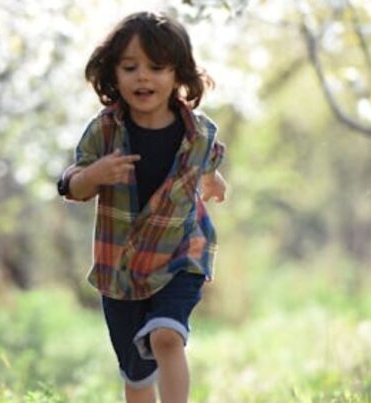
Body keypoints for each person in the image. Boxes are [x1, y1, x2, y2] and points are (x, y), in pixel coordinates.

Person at [57, 11, 227, 403]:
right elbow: (72, 185)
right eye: (130, 67)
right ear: (113, 75)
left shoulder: (199, 132)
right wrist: (95, 174)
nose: (143, 77)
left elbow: (209, 163)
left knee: (166, 336)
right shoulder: (105, 130)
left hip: (181, 254)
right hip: (121, 266)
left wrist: (215, 182)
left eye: (156, 67)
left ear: (178, 75)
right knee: (136, 375)